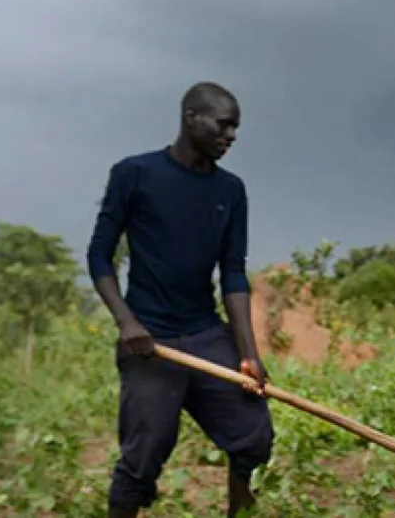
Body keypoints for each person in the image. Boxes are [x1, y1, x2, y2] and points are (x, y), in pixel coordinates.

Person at [87, 81, 275, 518]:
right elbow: (99, 256)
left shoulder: (231, 191)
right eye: (224, 126)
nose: (232, 137)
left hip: (206, 333)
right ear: (191, 117)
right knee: (143, 455)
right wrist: (127, 323)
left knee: (254, 435)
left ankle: (239, 508)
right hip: (150, 339)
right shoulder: (135, 174)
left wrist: (248, 353)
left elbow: (232, 272)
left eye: (236, 129)